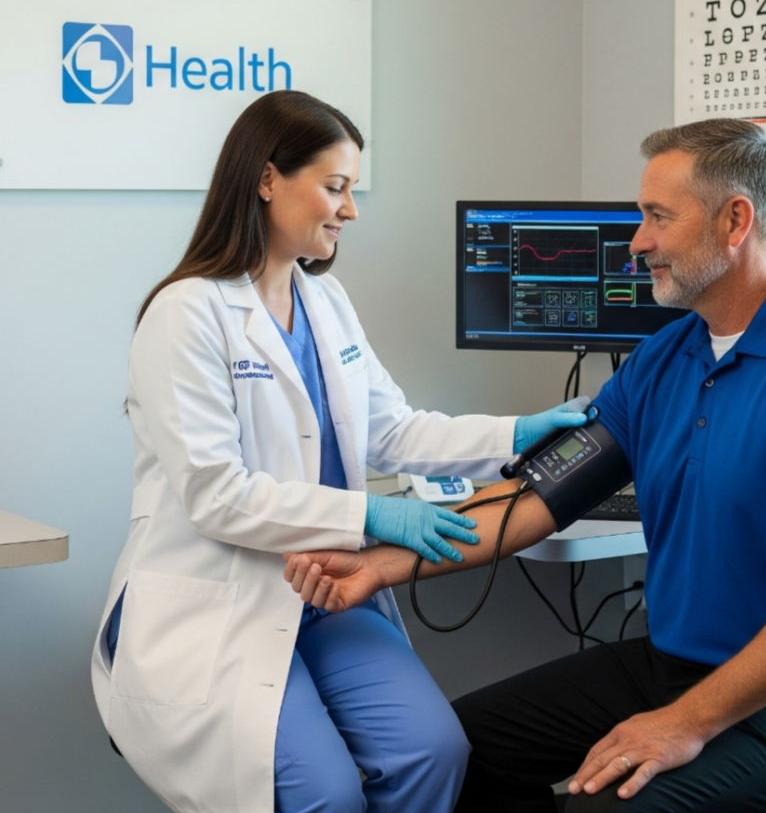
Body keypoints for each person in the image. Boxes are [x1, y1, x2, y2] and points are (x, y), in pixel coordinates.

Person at [284, 118, 766, 813]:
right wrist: (380, 562)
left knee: (612, 804)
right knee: (456, 754)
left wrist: (687, 723)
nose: (638, 241)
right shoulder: (666, 360)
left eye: (656, 217)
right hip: (672, 663)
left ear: (736, 221)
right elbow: (536, 500)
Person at [90, 89, 587, 813]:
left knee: (433, 751)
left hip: (326, 593)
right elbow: (216, 493)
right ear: (266, 180)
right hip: (223, 602)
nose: (349, 210)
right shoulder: (186, 314)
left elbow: (392, 429)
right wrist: (374, 517)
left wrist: (513, 436)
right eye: (335, 187)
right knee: (321, 794)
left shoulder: (325, 302)